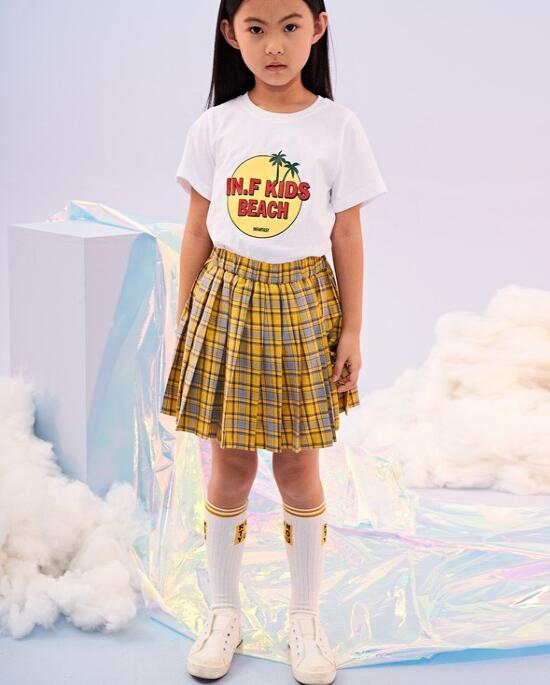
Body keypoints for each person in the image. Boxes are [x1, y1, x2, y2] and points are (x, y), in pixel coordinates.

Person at [161, 1, 388, 682]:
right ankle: (222, 612)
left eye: (290, 25)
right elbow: (197, 229)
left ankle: (305, 618)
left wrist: (352, 328)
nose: (275, 45)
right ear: (230, 35)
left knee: (297, 465)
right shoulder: (215, 126)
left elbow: (346, 233)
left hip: (303, 302)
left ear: (318, 26)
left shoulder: (338, 127)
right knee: (228, 463)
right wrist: (184, 321)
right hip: (226, 300)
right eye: (256, 29)